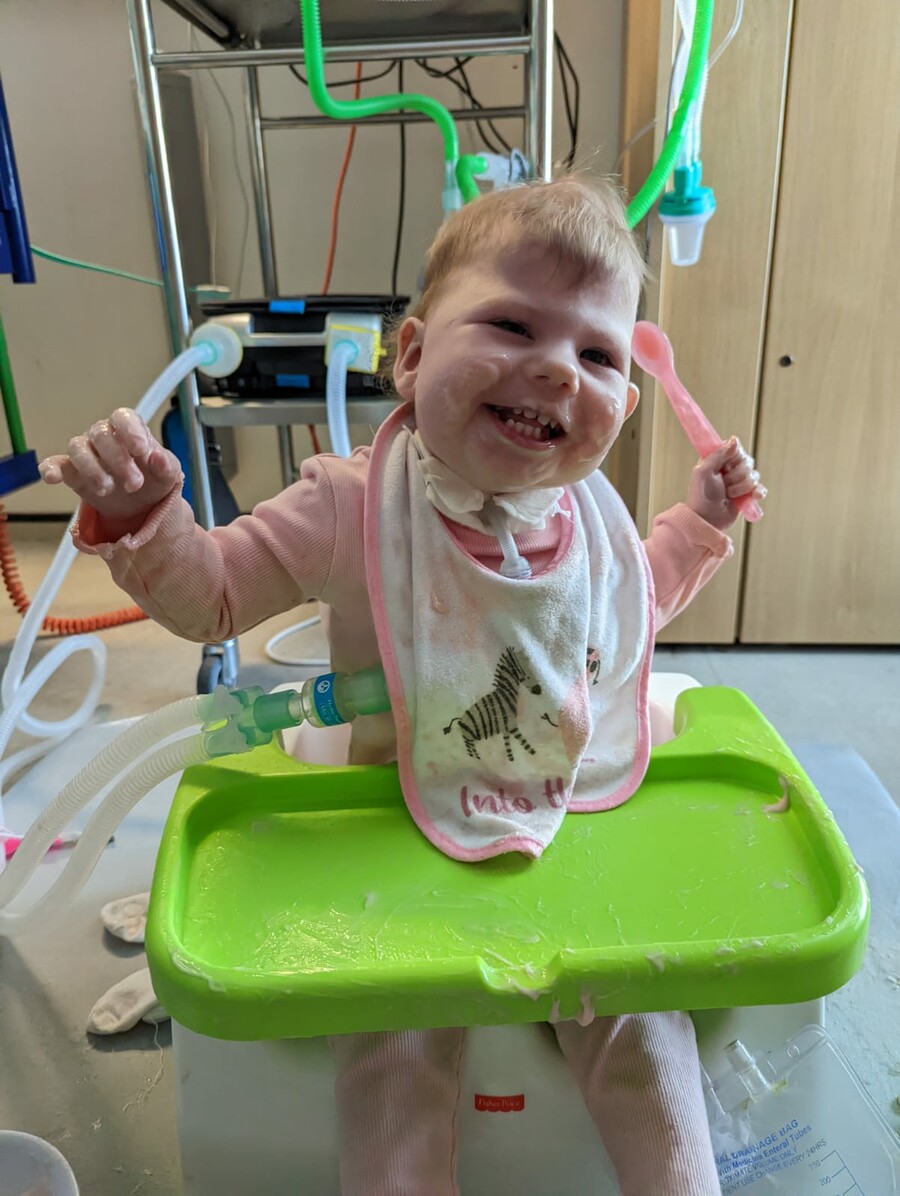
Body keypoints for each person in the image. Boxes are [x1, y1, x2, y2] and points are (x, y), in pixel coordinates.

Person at [41, 176, 765, 1195]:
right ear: (414, 355)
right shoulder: (350, 505)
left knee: (644, 1005)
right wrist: (153, 521)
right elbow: (211, 601)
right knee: (390, 1031)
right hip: (386, 809)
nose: (557, 367)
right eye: (513, 322)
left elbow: (625, 605)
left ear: (625, 405)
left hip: (562, 807)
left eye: (598, 353)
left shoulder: (590, 518)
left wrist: (698, 525)